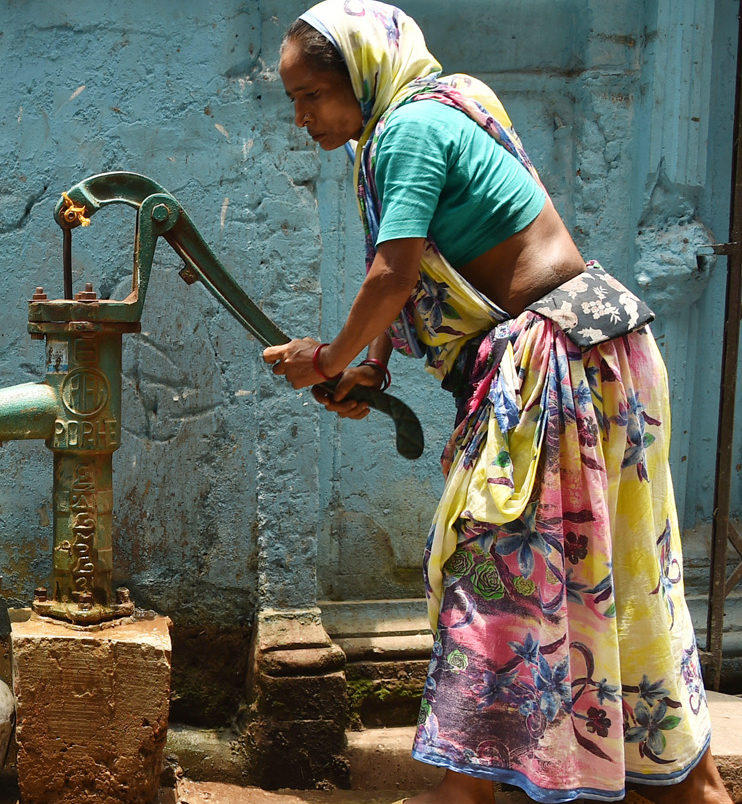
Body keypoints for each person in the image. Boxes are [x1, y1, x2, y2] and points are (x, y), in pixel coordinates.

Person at [262, 2, 729, 802]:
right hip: (603, 349)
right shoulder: (452, 104)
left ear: (361, 77)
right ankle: (688, 783)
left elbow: (395, 275)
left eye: (310, 96)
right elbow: (427, 263)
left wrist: (326, 360)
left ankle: (479, 785)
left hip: (562, 370)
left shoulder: (405, 130)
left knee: (493, 598)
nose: (301, 117)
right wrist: (372, 369)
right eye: (295, 100)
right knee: (618, 593)